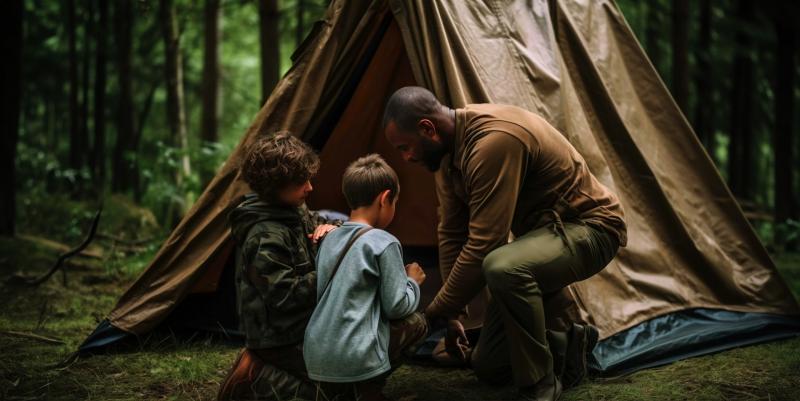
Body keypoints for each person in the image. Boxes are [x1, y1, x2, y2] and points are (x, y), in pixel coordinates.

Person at [383, 87, 627, 401]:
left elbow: (485, 244)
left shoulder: (493, 141)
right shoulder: (445, 155)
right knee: (489, 367)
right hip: (542, 240)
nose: (406, 158)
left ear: (427, 129)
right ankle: (570, 340)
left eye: (405, 147)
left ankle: (540, 384)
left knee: (502, 266)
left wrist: (432, 316)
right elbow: (452, 233)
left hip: (593, 227)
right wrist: (455, 316)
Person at [218, 132, 342, 401]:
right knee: (340, 392)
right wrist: (332, 269)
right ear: (274, 186)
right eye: (301, 182)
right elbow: (285, 296)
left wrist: (333, 229)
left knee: (355, 374)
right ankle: (254, 379)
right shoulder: (264, 235)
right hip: (279, 338)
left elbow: (319, 221)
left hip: (305, 325)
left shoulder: (293, 209)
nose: (309, 188)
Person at [303, 154, 428, 401]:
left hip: (316, 354)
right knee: (417, 322)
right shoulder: (384, 241)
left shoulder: (328, 238)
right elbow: (396, 306)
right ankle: (369, 391)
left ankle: (346, 391)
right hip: (355, 357)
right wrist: (412, 282)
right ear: (385, 199)